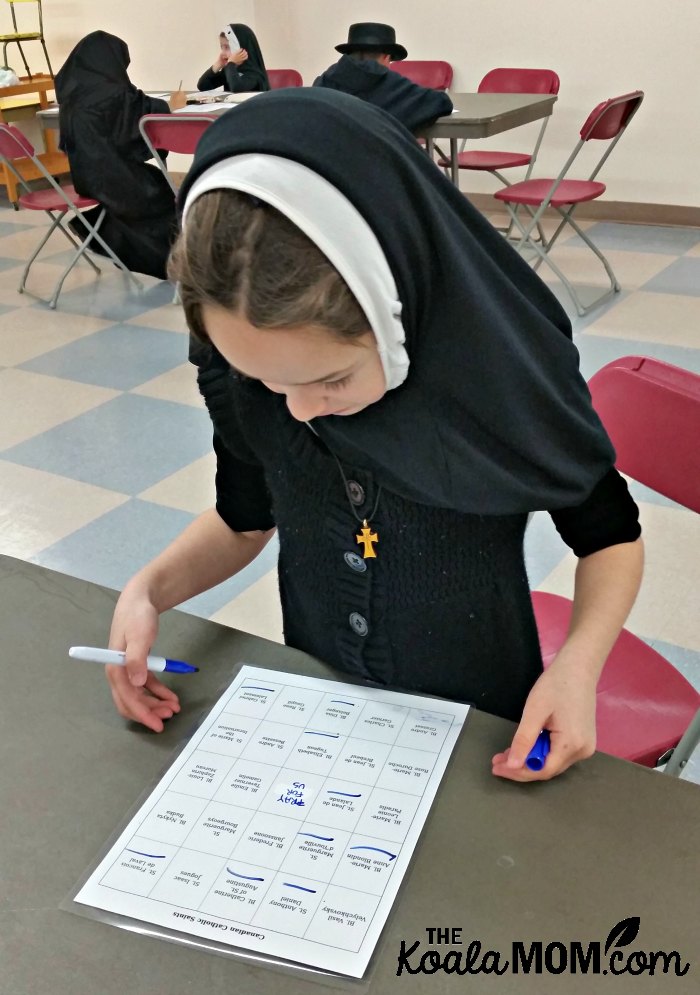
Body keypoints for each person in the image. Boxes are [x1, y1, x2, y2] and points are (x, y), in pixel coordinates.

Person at [106, 89, 644, 784]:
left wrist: (576, 665)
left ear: (397, 317)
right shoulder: (247, 370)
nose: (298, 410)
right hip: (325, 700)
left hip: (481, 716)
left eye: (331, 378)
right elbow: (243, 518)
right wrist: (149, 591)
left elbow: (611, 536)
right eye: (265, 381)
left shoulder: (498, 379)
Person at [55, 31, 184, 280]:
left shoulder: (71, 95)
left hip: (85, 178)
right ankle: (166, 262)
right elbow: (141, 113)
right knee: (162, 190)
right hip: (113, 178)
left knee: (152, 183)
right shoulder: (111, 95)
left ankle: (101, 232)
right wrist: (173, 105)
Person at [313, 22, 452, 133]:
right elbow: (441, 102)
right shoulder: (391, 85)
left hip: (324, 165)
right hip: (375, 164)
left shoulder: (324, 81)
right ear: (386, 56)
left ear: (349, 53)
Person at [197, 23, 270, 94]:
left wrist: (231, 64)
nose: (223, 53)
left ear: (241, 48)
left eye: (227, 47)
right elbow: (203, 86)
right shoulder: (230, 70)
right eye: (221, 47)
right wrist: (217, 64)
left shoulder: (254, 75)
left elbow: (237, 88)